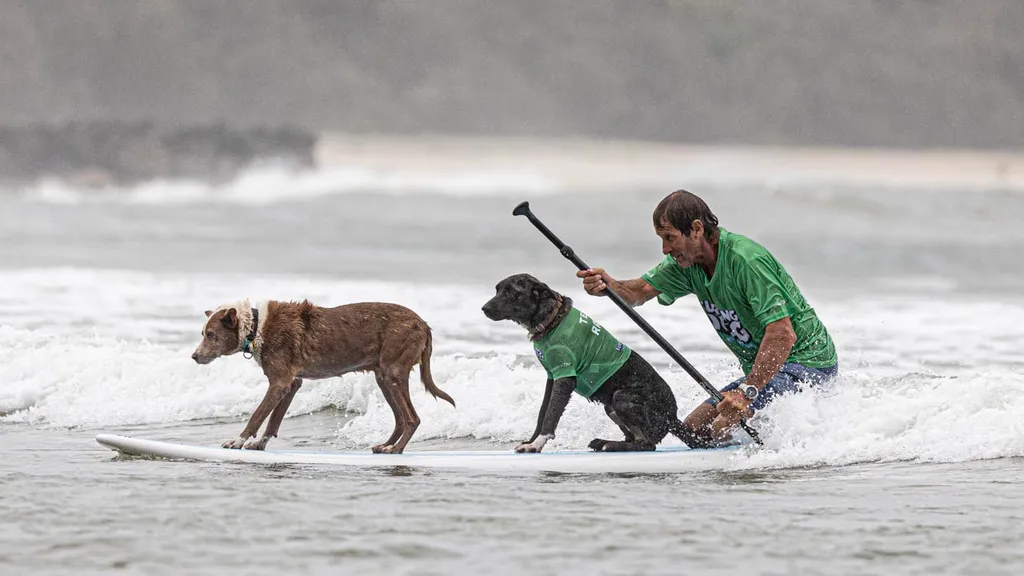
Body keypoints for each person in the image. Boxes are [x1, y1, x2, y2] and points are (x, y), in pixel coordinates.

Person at [576, 190, 838, 447]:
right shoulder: (688, 265)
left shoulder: (746, 260)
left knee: (721, 427)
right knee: (693, 431)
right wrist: (609, 286)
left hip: (807, 363)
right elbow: (639, 292)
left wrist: (747, 392)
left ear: (697, 229)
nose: (665, 249)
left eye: (669, 237)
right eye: (661, 239)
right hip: (769, 368)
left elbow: (782, 335)